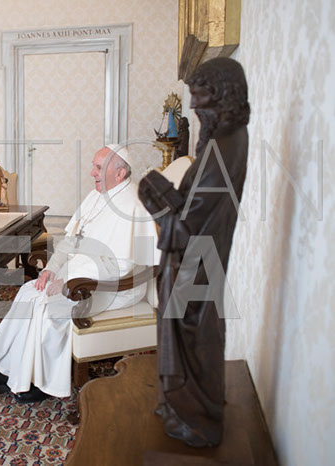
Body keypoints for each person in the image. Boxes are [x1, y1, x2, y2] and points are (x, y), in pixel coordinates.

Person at [0, 146, 159, 401]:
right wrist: (51, 269)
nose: (92, 173)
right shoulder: (97, 195)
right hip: (83, 277)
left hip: (116, 287)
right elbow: (71, 241)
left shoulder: (134, 204)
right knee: (28, 292)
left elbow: (122, 267)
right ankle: (7, 370)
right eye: (94, 166)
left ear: (120, 173)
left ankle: (42, 384)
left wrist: (69, 282)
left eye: (98, 168)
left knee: (49, 307)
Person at [138, 57, 250, 448]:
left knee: (192, 338)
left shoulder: (222, 148)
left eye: (199, 96)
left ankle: (193, 415)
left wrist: (153, 194)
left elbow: (186, 227)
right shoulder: (226, 139)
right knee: (192, 337)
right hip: (199, 259)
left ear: (222, 95)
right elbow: (193, 209)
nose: (194, 106)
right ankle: (180, 407)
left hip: (197, 262)